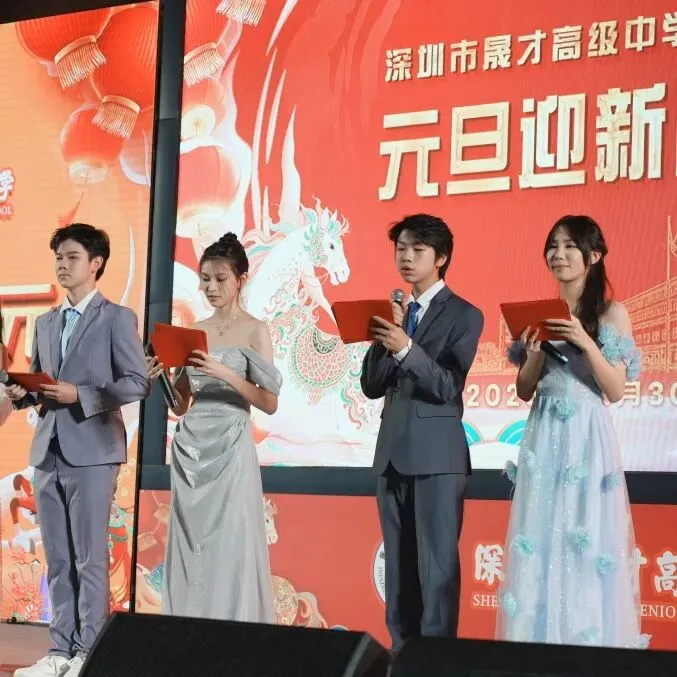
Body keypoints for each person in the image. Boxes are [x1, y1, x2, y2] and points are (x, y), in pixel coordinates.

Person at [496, 215, 648, 649]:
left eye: (568, 246)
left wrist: (583, 339)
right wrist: (534, 353)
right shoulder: (540, 314)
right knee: (541, 537)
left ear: (593, 255)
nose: (558, 255)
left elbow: (615, 389)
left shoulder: (611, 313)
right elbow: (524, 389)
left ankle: (588, 652)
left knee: (586, 540)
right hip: (543, 435)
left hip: (587, 437)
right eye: (553, 246)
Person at [5, 223, 149, 677]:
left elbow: (137, 382)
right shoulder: (46, 322)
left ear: (96, 263)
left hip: (93, 451)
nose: (62, 265)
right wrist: (21, 391)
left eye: (71, 257)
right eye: (58, 258)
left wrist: (80, 395)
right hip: (48, 451)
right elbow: (40, 384)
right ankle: (59, 650)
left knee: (90, 557)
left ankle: (89, 652)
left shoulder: (116, 318)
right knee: (58, 558)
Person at [360, 214, 484, 651]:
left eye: (417, 249)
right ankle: (402, 659)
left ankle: (437, 663)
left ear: (441, 257)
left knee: (437, 572)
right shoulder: (396, 313)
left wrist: (406, 348)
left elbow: (447, 385)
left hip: (437, 461)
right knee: (398, 575)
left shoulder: (465, 314)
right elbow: (371, 385)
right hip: (392, 456)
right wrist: (387, 337)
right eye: (401, 249)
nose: (406, 257)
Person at [147, 233, 281, 622]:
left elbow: (269, 402)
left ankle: (233, 629)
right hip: (191, 446)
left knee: (231, 538)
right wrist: (161, 378)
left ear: (241, 279)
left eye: (220, 279)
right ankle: (191, 627)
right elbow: (181, 403)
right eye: (205, 279)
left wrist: (225, 373)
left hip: (232, 441)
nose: (211, 287)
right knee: (193, 542)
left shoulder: (255, 329)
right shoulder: (193, 330)